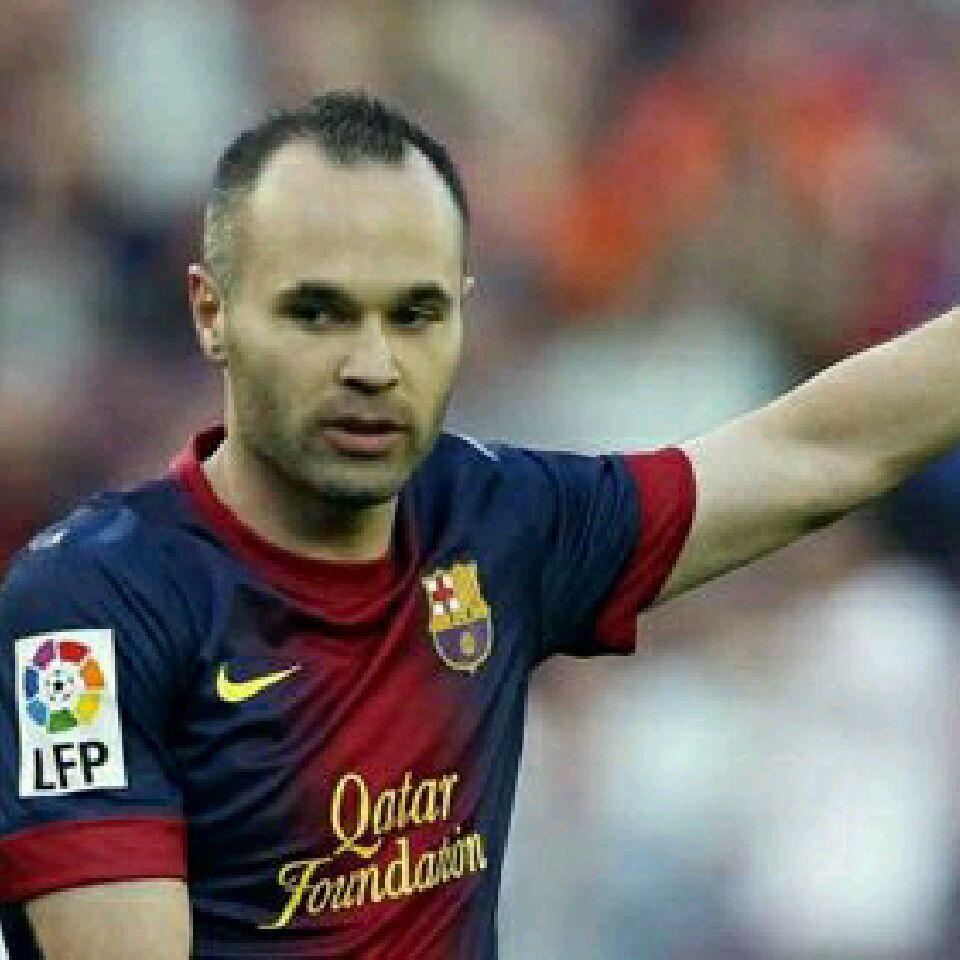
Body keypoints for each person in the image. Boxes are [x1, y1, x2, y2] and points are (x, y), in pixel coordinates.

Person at [0, 90, 957, 960]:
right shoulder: (87, 613)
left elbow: (815, 454)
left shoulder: (491, 520)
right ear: (212, 314)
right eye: (318, 313)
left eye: (414, 315)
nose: (373, 365)